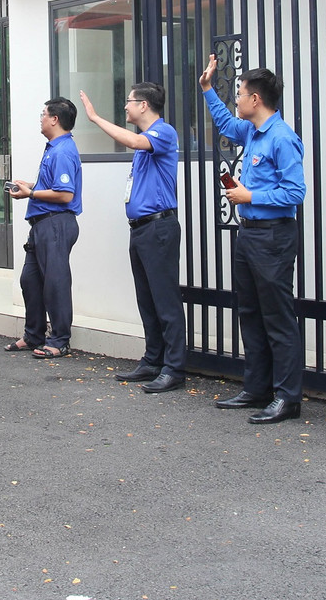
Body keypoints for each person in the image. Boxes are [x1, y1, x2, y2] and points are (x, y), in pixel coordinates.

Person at [200, 56, 307, 424]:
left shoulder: (282, 137)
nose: (237, 101)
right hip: (250, 234)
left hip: (273, 235)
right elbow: (226, 124)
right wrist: (207, 89)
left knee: (277, 316)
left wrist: (251, 196)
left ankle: (288, 397)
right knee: (250, 312)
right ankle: (257, 388)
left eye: (240, 94)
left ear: (256, 99)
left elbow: (295, 192)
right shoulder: (252, 131)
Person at [79, 83, 186, 393]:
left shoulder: (162, 132)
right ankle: (153, 360)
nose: (125, 106)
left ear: (144, 105)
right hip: (140, 229)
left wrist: (95, 118)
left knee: (165, 301)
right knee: (147, 300)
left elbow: (134, 140)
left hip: (159, 228)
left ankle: (174, 368)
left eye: (129, 101)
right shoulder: (145, 142)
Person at [4, 98, 82, 359]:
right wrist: (31, 186)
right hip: (42, 224)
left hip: (56, 224)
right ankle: (33, 335)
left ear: (55, 119)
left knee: (55, 283)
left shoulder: (63, 151)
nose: (40, 119)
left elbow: (65, 194)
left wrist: (31, 193)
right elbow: (52, 187)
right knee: (30, 280)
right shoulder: (53, 148)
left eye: (43, 114)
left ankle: (60, 340)